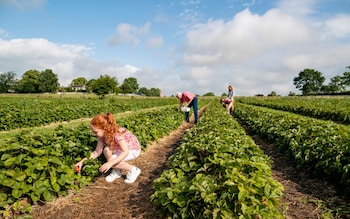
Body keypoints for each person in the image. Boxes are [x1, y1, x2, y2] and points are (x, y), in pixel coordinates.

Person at [75, 112, 141, 184]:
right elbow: (96, 153)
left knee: (112, 160)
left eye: (95, 132)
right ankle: (117, 171)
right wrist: (82, 161)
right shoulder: (101, 136)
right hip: (119, 148)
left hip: (132, 149)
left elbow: (126, 152)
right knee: (106, 150)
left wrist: (111, 163)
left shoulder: (117, 134)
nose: (94, 134)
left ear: (105, 129)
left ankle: (134, 170)